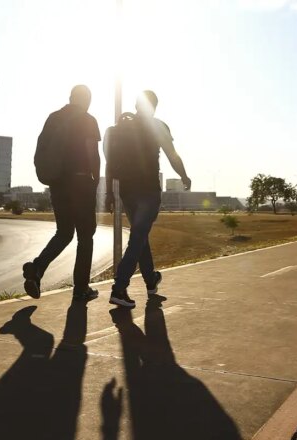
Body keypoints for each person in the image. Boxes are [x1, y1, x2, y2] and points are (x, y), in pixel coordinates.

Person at [106, 91, 191, 308]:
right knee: (137, 238)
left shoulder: (123, 128)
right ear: (154, 106)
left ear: (136, 105)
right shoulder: (157, 126)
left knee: (140, 236)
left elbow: (109, 160)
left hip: (127, 191)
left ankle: (151, 281)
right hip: (148, 191)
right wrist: (183, 175)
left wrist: (108, 192)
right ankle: (119, 287)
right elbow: (172, 154)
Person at [22, 85, 101, 301]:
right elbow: (92, 153)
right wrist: (95, 183)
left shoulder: (53, 118)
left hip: (57, 184)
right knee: (86, 236)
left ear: (70, 98)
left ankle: (37, 269)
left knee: (64, 233)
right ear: (86, 100)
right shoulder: (88, 119)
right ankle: (81, 288)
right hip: (81, 182)